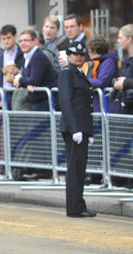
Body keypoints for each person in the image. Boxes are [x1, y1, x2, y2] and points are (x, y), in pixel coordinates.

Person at [58, 41, 97, 218]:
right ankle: (74, 208)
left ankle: (78, 205)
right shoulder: (67, 73)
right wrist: (75, 130)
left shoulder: (79, 73)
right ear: (69, 55)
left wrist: (89, 132)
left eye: (82, 55)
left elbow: (85, 105)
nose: (79, 57)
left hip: (82, 128)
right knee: (75, 169)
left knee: (79, 168)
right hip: (74, 128)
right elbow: (66, 102)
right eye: (75, 54)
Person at [13, 29, 57, 111]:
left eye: (26, 40)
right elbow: (28, 79)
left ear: (35, 41)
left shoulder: (37, 56)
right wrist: (26, 82)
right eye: (21, 41)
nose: (22, 43)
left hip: (46, 103)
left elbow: (33, 80)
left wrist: (19, 79)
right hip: (37, 102)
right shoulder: (26, 56)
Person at [0, 24, 24, 109]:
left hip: (18, 94)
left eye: (8, 38)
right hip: (3, 94)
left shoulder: (23, 54)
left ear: (15, 36)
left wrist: (18, 72)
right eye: (3, 39)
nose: (6, 41)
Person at [84, 35, 119, 113]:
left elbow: (102, 82)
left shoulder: (108, 62)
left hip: (106, 104)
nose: (88, 53)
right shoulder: (97, 61)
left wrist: (83, 80)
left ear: (94, 50)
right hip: (99, 104)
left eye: (89, 50)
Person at [115, 24, 133, 114]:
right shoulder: (126, 58)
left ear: (129, 39)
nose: (118, 41)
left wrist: (125, 83)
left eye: (120, 38)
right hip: (124, 107)